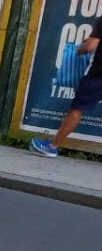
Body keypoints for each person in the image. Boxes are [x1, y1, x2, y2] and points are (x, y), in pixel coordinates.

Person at [30, 17, 102, 158]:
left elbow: (89, 47)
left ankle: (51, 147)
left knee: (76, 110)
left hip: (97, 75)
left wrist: (80, 48)